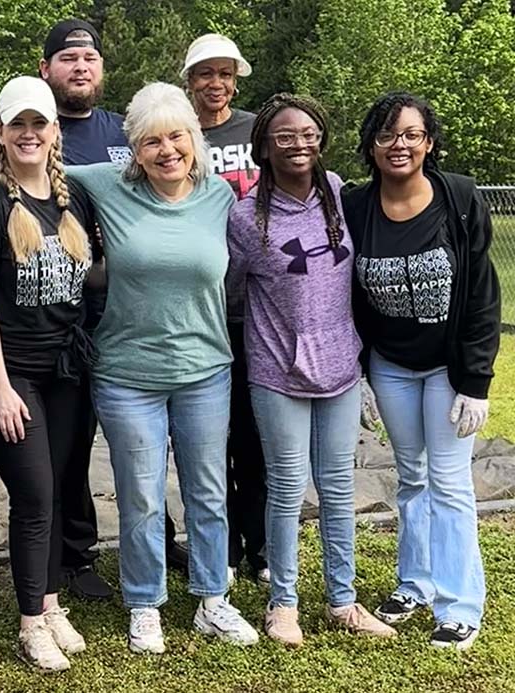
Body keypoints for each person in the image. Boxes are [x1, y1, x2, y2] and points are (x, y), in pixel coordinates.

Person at [0, 18, 188, 601]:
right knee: (45, 475)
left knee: (97, 457)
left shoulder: (121, 140)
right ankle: (52, 583)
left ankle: (108, 554)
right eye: (68, 59)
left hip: (96, 336)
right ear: (47, 70)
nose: (81, 67)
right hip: (23, 349)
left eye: (90, 57)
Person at [70, 82, 260, 654]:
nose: (166, 150)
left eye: (176, 136)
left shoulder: (221, 199)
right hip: (127, 374)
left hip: (205, 368)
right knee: (142, 495)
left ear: (195, 139)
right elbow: (38, 170)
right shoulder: (107, 184)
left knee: (207, 490)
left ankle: (211, 601)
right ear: (135, 150)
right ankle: (145, 603)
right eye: (151, 141)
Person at [226, 93, 398, 646]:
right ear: (264, 148)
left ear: (321, 138)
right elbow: (228, 292)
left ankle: (342, 601)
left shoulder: (342, 197)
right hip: (278, 371)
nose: (298, 144)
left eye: (307, 134)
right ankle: (284, 604)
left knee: (338, 485)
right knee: (285, 486)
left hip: (342, 368)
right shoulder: (245, 217)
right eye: (283, 136)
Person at [344, 92, 501, 651]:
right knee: (410, 473)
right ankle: (417, 583)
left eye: (411, 134)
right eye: (387, 135)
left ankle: (461, 605)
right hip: (391, 366)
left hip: (448, 368)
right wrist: (361, 370)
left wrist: (476, 382)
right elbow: (348, 292)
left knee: (450, 481)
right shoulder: (357, 205)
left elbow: (483, 292)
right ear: (371, 145)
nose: (400, 145)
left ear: (429, 141)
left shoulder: (457, 197)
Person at [0, 75, 97, 671]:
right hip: (16, 378)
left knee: (61, 487)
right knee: (34, 497)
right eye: (19, 125)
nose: (30, 134)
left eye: (39, 124)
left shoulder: (74, 200)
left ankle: (51, 600)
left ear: (54, 132)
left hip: (67, 372)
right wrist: (0, 387)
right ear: (1, 134)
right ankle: (31, 623)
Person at [181, 33, 268, 585]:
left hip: (255, 309)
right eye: (205, 74)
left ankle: (256, 547)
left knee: (255, 438)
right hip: (198, 309)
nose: (216, 84)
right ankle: (221, 547)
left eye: (225, 74)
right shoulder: (178, 136)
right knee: (206, 439)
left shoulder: (257, 130)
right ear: (188, 80)